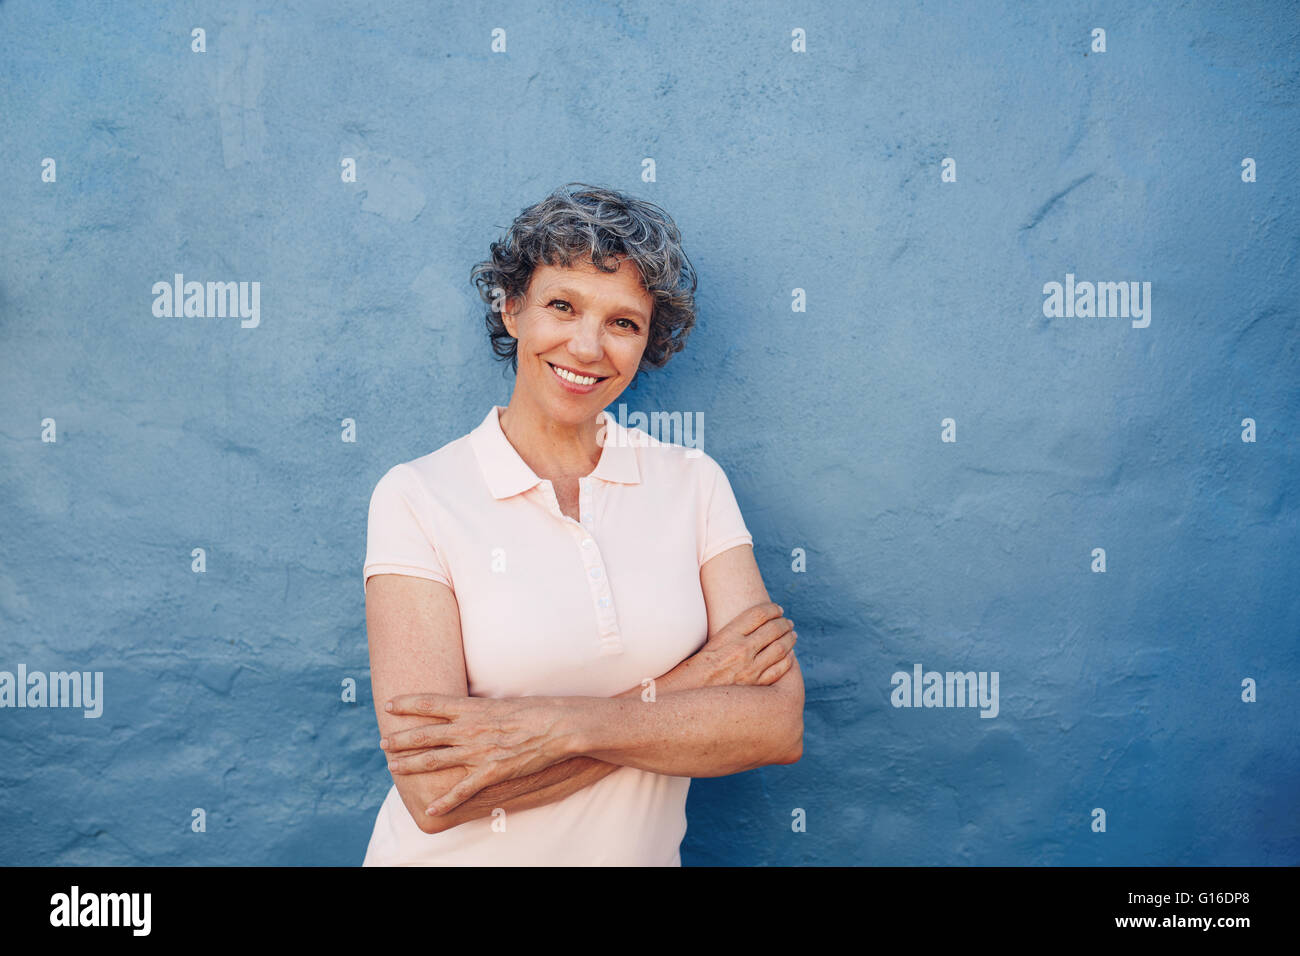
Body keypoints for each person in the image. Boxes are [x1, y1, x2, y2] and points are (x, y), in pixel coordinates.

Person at [361, 182, 803, 865]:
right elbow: (437, 788)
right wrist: (695, 684)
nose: (588, 346)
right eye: (562, 306)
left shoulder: (692, 484)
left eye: (623, 322)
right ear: (512, 309)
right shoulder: (419, 496)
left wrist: (559, 727)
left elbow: (775, 724)